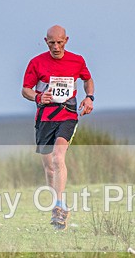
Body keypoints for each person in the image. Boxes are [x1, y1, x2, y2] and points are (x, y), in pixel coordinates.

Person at [21, 25, 95, 230]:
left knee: (58, 157)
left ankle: (59, 207)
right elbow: (25, 90)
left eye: (59, 42)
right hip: (44, 117)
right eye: (51, 43)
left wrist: (89, 97)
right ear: (46, 42)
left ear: (66, 40)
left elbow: (88, 79)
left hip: (67, 115)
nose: (56, 47)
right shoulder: (36, 62)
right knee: (49, 167)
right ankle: (56, 201)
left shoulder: (77, 60)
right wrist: (37, 96)